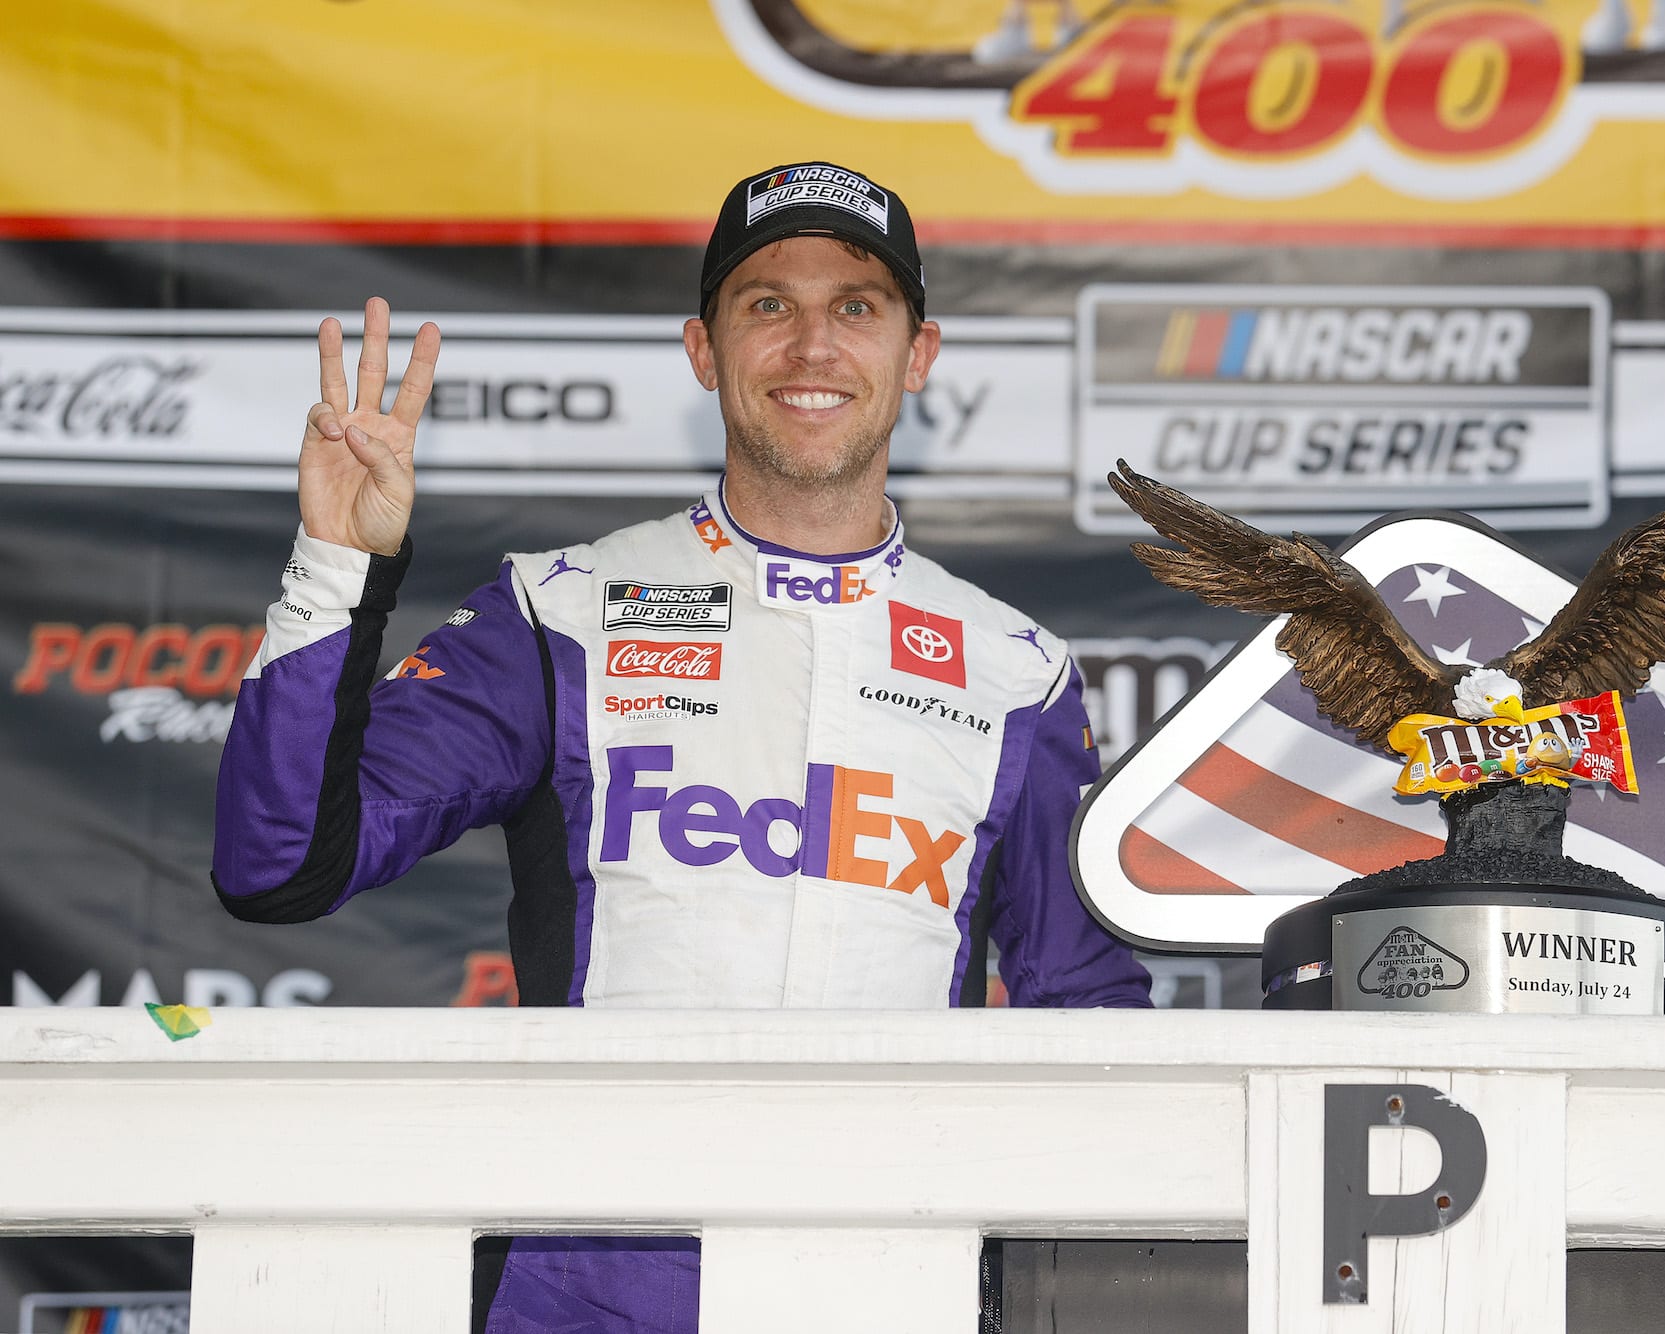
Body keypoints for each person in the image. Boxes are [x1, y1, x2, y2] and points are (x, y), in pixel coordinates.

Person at [211, 161, 1153, 1330]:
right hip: (587, 1283)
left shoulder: (1016, 669)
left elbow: (1091, 1020)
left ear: (918, 356)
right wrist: (336, 566)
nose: (811, 345)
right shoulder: (563, 610)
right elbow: (281, 862)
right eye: (767, 304)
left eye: (855, 307)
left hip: (888, 1282)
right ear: (704, 351)